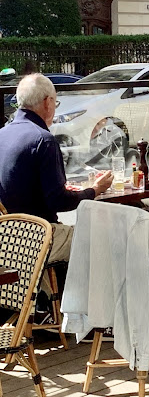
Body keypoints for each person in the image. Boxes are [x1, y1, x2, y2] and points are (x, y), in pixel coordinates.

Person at [0, 74, 113, 298]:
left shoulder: (3, 133)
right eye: (56, 102)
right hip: (37, 236)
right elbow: (59, 201)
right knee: (103, 239)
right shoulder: (43, 140)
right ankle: (93, 317)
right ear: (47, 103)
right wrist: (95, 190)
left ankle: (48, 306)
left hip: (7, 236)